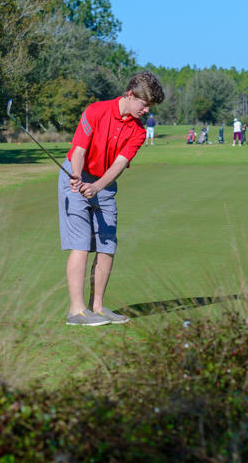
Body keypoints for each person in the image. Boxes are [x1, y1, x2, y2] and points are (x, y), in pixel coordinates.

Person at [58, 71, 165, 327]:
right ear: (130, 95)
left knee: (107, 246)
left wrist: (96, 187)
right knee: (81, 243)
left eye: (150, 107)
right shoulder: (95, 111)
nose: (146, 111)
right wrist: (76, 177)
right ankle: (76, 311)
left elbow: (119, 164)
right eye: (144, 104)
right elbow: (80, 150)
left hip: (103, 183)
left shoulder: (138, 131)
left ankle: (97, 307)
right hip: (76, 174)